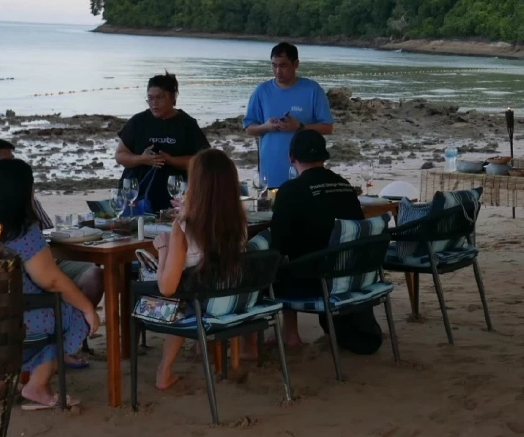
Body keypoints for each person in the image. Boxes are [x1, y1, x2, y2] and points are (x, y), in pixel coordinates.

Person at [0, 158, 101, 410]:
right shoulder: (22, 232)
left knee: (52, 314)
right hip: (15, 319)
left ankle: (1, 380)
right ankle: (38, 385)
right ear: (24, 191)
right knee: (73, 317)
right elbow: (51, 281)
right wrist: (88, 308)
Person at [269, 130, 379, 352]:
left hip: (315, 280)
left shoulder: (290, 190)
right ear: (324, 156)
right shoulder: (344, 185)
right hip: (350, 275)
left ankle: (291, 335)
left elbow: (278, 245)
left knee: (276, 267)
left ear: (291, 157)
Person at [148, 148, 248, 390]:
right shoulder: (240, 222)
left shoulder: (184, 228)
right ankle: (187, 356)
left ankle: (164, 370)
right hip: (232, 303)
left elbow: (166, 288)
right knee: (188, 292)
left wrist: (163, 249)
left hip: (198, 309)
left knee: (166, 297)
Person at [243, 42, 335, 191]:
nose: (278, 71)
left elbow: (328, 127)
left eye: (283, 66)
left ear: (296, 64)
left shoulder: (312, 89)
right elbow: (249, 128)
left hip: (305, 170)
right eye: (274, 65)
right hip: (271, 170)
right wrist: (267, 126)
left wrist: (299, 127)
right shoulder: (262, 91)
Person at [114, 71, 210, 213]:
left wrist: (171, 160)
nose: (154, 103)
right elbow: (120, 156)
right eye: (150, 98)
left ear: (173, 98)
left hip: (175, 193)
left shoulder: (187, 124)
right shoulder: (138, 122)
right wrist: (142, 159)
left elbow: (203, 162)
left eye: (160, 97)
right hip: (137, 191)